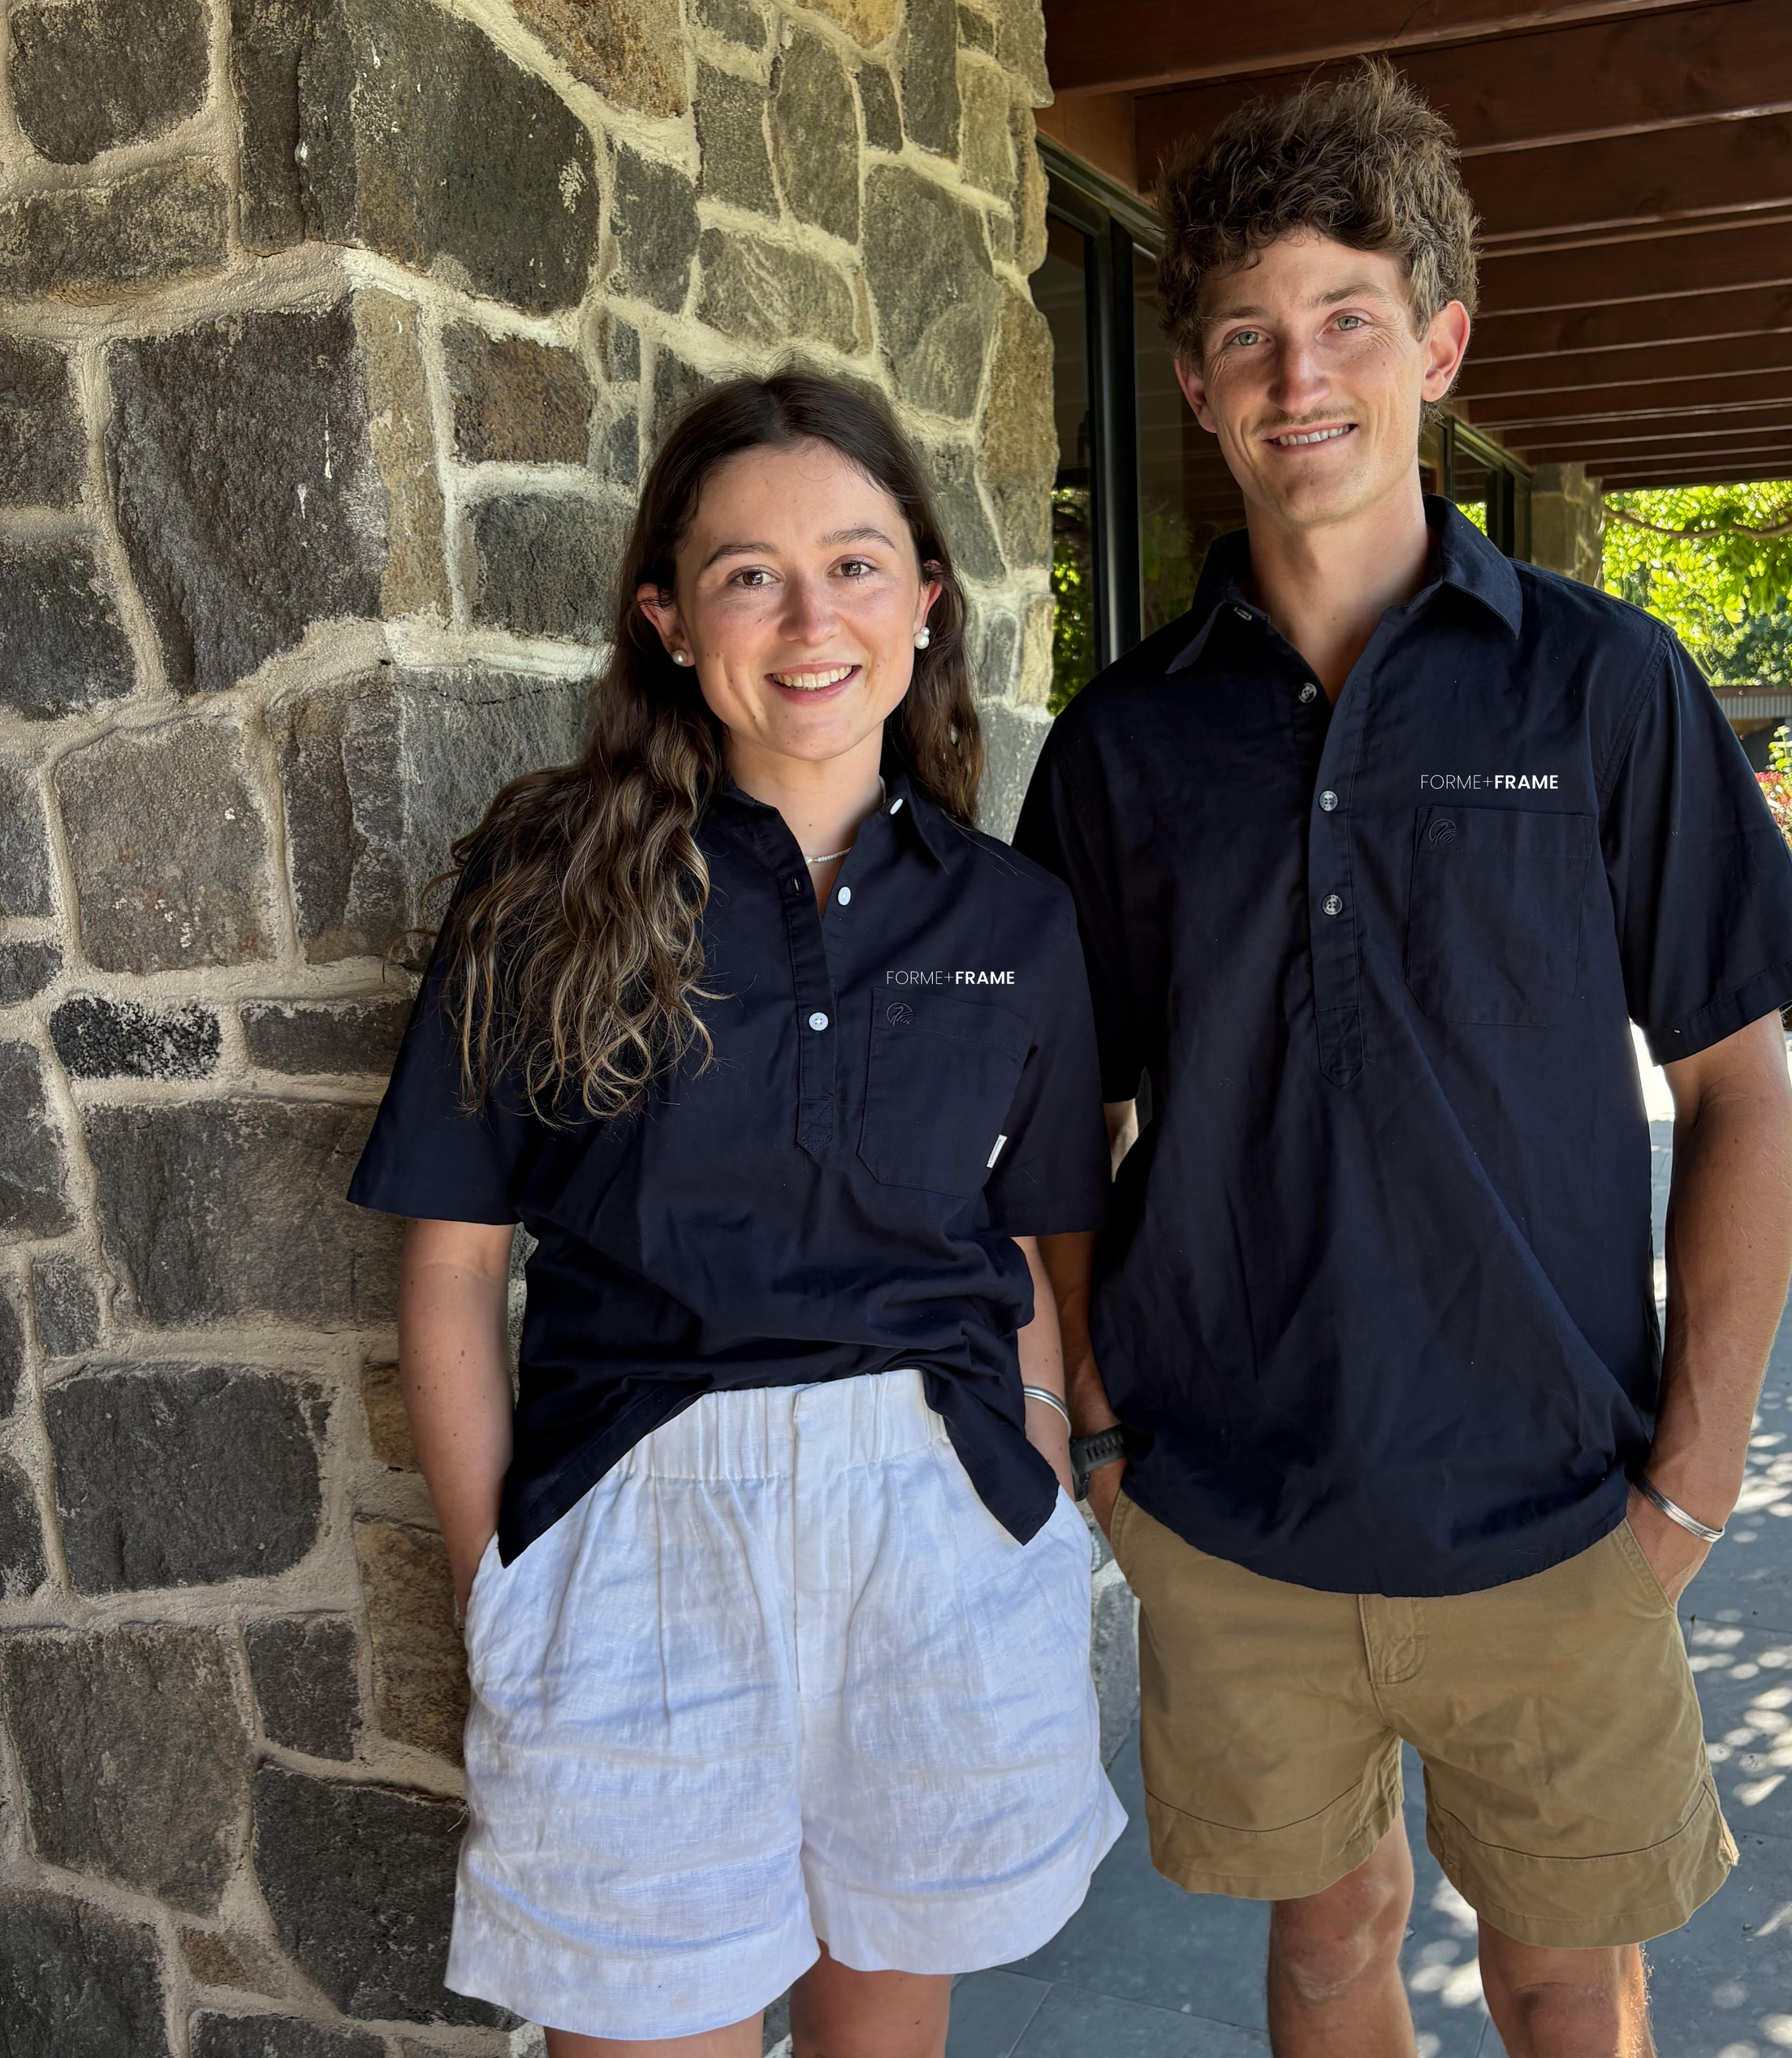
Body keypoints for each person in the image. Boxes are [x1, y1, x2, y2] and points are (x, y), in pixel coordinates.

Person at [1016, 69, 1792, 2058]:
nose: (1293, 376)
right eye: (1242, 337)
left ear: (1436, 346)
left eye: (1344, 322)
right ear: (1203, 391)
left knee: (1570, 1975)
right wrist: (1107, 1441)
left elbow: (1738, 1089)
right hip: (1226, 1511)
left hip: (1556, 1510)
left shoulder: (1601, 682)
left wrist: (1691, 1482)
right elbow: (1058, 1129)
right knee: (1323, 1949)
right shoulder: (1121, 746)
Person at [350, 371, 1125, 2058]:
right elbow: (454, 1263)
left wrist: (1045, 1467)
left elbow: (1026, 1250)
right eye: (745, 573)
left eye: (853, 563)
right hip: (638, 1538)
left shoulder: (1017, 916)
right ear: (667, 615)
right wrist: (503, 1577)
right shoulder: (546, 895)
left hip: (936, 1537)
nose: (807, 617)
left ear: (924, 597)